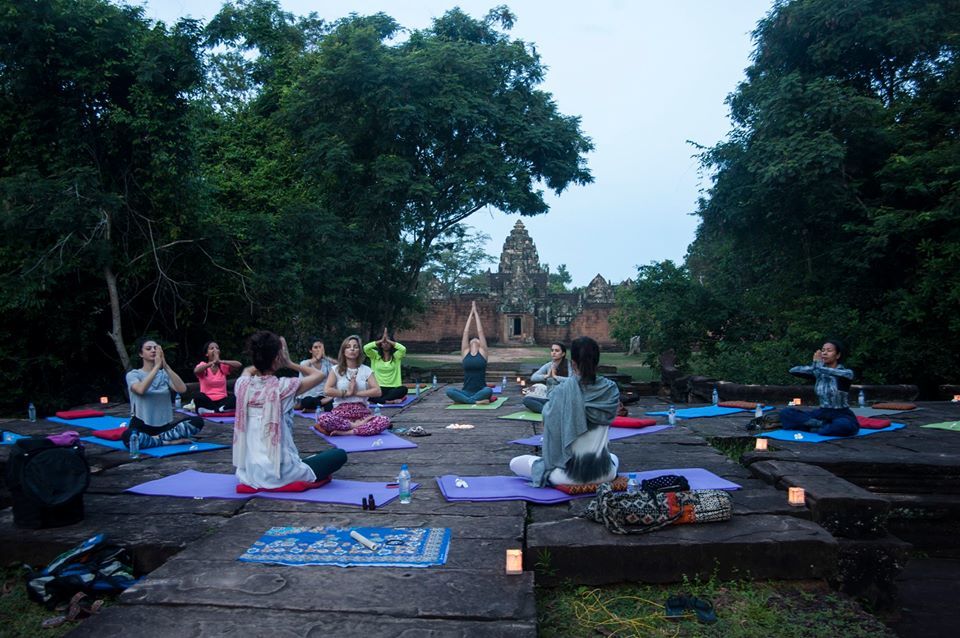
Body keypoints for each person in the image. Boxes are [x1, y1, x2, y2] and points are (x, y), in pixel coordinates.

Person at [233, 331, 347, 489]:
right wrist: (288, 362)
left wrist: (265, 361)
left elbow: (246, 371)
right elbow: (319, 375)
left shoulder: (242, 386)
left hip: (252, 471)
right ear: (277, 359)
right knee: (339, 454)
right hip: (284, 472)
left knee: (315, 458)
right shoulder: (283, 387)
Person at [510, 336, 621, 487]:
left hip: (567, 476)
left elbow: (549, 426)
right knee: (613, 457)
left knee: (515, 463)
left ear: (573, 363)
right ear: (597, 361)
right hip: (604, 473)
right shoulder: (611, 389)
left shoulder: (561, 391)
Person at [124, 337, 205, 451]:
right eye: (148, 348)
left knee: (197, 421)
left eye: (155, 348)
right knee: (129, 437)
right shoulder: (133, 375)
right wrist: (156, 367)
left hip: (164, 426)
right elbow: (141, 390)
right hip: (141, 424)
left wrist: (165, 366)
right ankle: (167, 441)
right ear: (141, 354)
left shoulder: (164, 374)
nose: (153, 350)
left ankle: (155, 440)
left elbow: (182, 389)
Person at [777, 339, 858, 437]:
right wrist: (816, 366)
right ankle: (821, 426)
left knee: (843, 426)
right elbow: (793, 370)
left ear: (837, 355)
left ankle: (811, 427)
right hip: (821, 413)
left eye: (829, 350)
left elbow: (830, 372)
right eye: (823, 350)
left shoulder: (846, 373)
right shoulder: (818, 372)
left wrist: (817, 364)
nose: (825, 353)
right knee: (786, 413)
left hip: (841, 413)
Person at [314, 335, 391, 436]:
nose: (352, 349)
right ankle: (355, 427)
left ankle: (348, 432)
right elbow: (327, 390)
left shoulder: (366, 370)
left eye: (355, 347)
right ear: (343, 351)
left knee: (384, 421)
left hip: (363, 414)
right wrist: (347, 393)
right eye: (348, 347)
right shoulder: (336, 369)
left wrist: (356, 393)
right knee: (324, 418)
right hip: (341, 414)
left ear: (359, 351)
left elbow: (377, 391)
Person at [446, 301, 494, 404]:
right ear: (469, 343)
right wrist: (470, 314)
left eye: (477, 339)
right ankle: (475, 402)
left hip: (481, 391)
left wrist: (475, 313)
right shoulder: (465, 353)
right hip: (466, 392)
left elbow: (480, 332)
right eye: (472, 339)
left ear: (480, 343)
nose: (474, 339)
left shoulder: (483, 353)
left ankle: (467, 401)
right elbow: (465, 332)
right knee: (449, 391)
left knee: (488, 390)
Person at [192, 341, 242, 413]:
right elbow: (196, 371)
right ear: (207, 354)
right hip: (208, 400)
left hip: (222, 400)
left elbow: (239, 364)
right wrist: (212, 363)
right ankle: (219, 410)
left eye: (217, 348)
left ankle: (213, 411)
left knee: (234, 398)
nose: (215, 350)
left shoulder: (222, 366)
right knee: (198, 396)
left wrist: (221, 361)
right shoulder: (203, 365)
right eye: (212, 348)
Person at [364, 328, 409, 404]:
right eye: (384, 342)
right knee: (363, 390)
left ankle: (382, 400)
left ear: (391, 344)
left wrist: (388, 340)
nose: (386, 343)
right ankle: (388, 401)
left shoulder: (396, 356)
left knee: (403, 389)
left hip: (393, 389)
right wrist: (381, 340)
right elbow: (366, 348)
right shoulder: (375, 356)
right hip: (378, 388)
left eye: (388, 342)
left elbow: (403, 349)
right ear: (380, 345)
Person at [523, 342, 569, 413]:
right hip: (549, 398)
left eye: (557, 351)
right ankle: (550, 411)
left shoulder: (569, 366)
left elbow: (574, 380)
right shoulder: (549, 365)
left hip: (564, 398)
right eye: (552, 350)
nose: (553, 353)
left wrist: (556, 377)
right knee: (527, 400)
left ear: (563, 354)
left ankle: (551, 411)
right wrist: (547, 376)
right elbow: (533, 377)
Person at [296, 339, 335, 413]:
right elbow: (304, 370)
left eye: (320, 347)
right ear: (310, 350)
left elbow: (339, 366)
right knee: (307, 402)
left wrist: (325, 357)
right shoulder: (305, 363)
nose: (318, 350)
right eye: (316, 347)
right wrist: (317, 358)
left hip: (323, 396)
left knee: (331, 405)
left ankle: (313, 409)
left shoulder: (326, 363)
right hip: (309, 396)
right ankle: (317, 407)